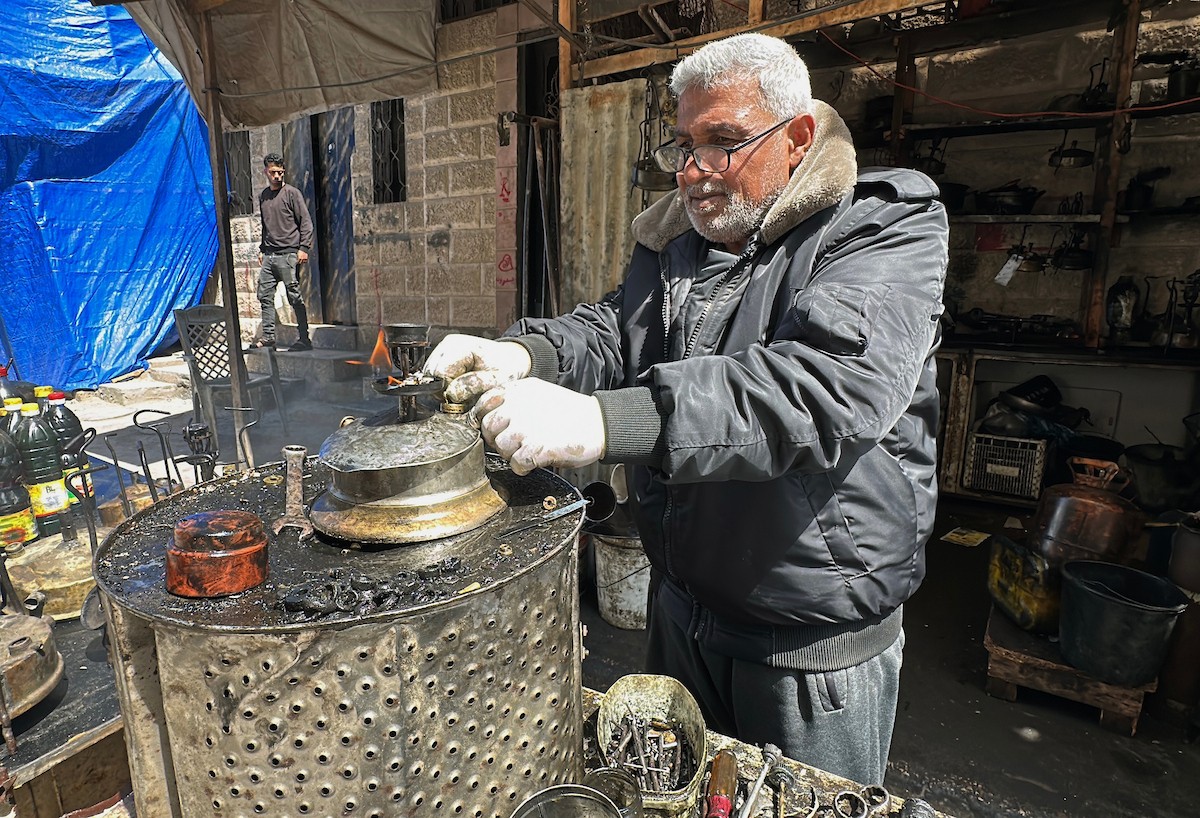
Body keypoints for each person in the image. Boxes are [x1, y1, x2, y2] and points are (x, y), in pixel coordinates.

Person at [425, 32, 947, 785]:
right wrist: (525, 354)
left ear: (798, 137)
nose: (696, 172)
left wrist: (607, 422)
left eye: (723, 142)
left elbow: (824, 386)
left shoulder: (881, 227)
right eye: (683, 146)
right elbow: (616, 329)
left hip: (806, 641)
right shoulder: (677, 238)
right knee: (666, 798)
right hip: (684, 613)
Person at [252, 152, 313, 351]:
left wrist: (303, 248)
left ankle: (304, 339)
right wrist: (262, 249)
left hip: (288, 254)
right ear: (266, 172)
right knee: (265, 296)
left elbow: (306, 222)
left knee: (294, 296)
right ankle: (269, 337)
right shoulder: (263, 196)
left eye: (280, 172)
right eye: (273, 172)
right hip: (270, 255)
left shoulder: (292, 193)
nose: (277, 176)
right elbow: (264, 225)